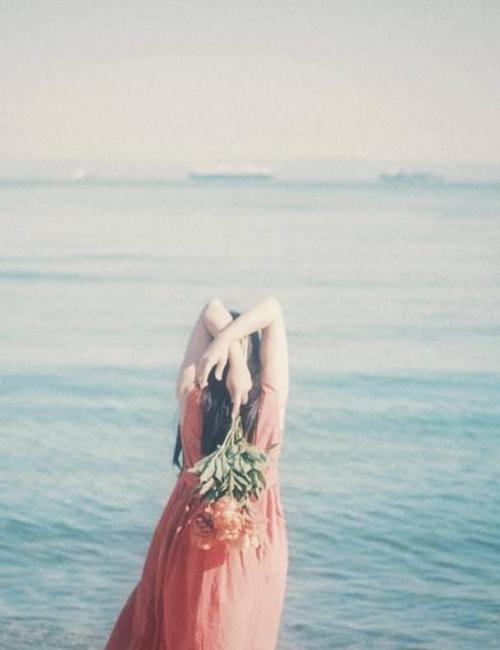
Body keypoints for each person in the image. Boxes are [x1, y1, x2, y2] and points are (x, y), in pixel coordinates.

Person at [104, 296, 289, 650]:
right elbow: (272, 310)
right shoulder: (269, 406)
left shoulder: (192, 399)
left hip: (187, 538)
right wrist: (237, 352)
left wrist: (226, 348)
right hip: (254, 544)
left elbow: (210, 309)